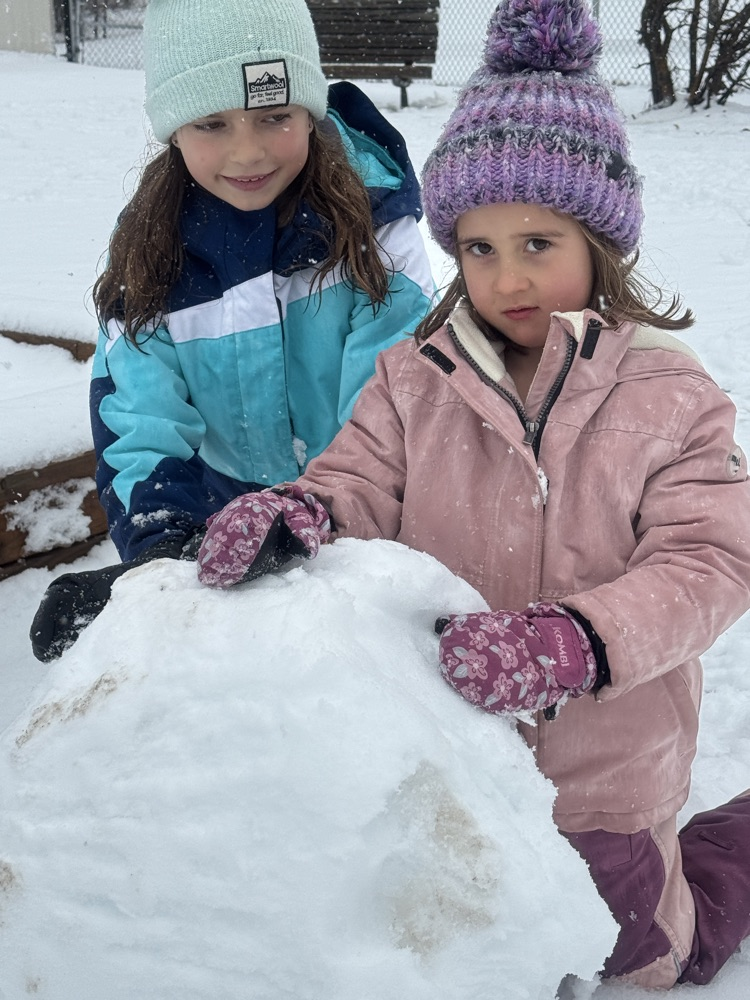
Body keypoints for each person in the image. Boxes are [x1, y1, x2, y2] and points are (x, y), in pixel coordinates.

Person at [193, 0, 750, 989]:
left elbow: (713, 559)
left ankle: (727, 857)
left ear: (600, 238)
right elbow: (355, 477)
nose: (504, 278)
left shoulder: (670, 393)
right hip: (453, 766)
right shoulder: (417, 379)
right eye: (479, 248)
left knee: (651, 953)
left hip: (604, 777)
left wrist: (576, 641)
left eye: (538, 243)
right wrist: (304, 511)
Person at [29, 0, 433, 662]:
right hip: (216, 533)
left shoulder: (372, 228)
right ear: (174, 131)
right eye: (212, 123)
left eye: (274, 116)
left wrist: (311, 520)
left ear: (308, 110)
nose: (247, 152)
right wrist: (163, 554)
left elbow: (394, 408)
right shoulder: (152, 251)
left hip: (373, 531)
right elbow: (139, 415)